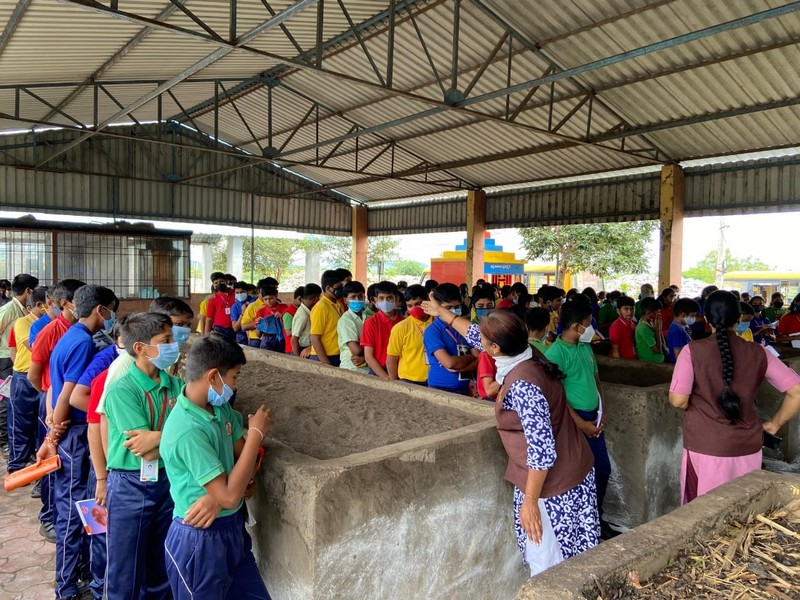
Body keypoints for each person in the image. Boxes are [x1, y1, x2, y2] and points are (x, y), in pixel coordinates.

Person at [421, 299, 598, 574]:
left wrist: (529, 503)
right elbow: (474, 334)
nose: (477, 341)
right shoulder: (528, 352)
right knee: (575, 557)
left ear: (495, 349)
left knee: (550, 564)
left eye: (483, 340)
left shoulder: (524, 384)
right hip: (574, 470)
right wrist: (442, 313)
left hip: (553, 491)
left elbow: (541, 452)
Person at [160, 333, 273, 600]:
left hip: (231, 527)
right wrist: (256, 432)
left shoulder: (220, 410)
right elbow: (232, 492)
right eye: (234, 377)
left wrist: (221, 496)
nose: (235, 385)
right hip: (200, 538)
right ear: (213, 377)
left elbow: (248, 460)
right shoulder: (187, 430)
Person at [668, 291, 800, 504]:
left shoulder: (692, 351)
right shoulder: (759, 352)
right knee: (743, 510)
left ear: (707, 319)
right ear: (738, 319)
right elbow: (797, 391)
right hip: (748, 445)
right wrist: (775, 424)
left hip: (705, 445)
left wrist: (703, 404)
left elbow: (678, 400)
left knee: (703, 514)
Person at [37, 284, 118, 600]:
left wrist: (51, 427)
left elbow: (51, 391)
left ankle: (81, 576)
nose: (112, 317)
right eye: (111, 309)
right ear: (101, 310)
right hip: (74, 438)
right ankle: (66, 587)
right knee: (72, 513)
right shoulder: (84, 342)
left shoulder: (70, 334)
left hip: (69, 436)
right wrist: (54, 435)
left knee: (78, 508)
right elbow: (69, 395)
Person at [103, 312, 184, 599]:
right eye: (166, 340)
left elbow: (197, 433)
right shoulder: (122, 390)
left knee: (161, 565)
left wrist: (160, 438)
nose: (174, 345)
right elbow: (142, 446)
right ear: (140, 348)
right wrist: (177, 437)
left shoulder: (175, 386)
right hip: (131, 485)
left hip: (167, 480)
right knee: (125, 570)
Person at [545, 300, 613, 539]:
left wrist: (601, 411)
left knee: (602, 469)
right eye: (587, 324)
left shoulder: (586, 347)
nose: (591, 328)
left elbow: (595, 380)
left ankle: (597, 516)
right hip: (574, 421)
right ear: (576, 326)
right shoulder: (555, 354)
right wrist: (581, 423)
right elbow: (556, 397)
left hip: (594, 417)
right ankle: (585, 521)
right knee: (581, 472)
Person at [28, 278, 85, 544]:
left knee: (64, 463)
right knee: (54, 460)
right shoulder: (49, 331)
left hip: (64, 404)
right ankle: (49, 516)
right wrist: (51, 405)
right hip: (51, 402)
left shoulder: (79, 332)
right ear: (66, 304)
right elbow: (34, 374)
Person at [6, 286, 47, 473]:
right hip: (24, 378)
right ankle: (16, 466)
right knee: (19, 423)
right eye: (49, 304)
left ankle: (39, 464)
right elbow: (32, 347)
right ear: (38, 305)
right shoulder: (23, 323)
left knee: (41, 423)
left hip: (42, 378)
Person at [0, 273, 39, 456]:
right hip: (6, 359)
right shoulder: (8, 310)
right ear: (28, 291)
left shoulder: (25, 309)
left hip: (18, 360)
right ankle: (7, 442)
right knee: (9, 401)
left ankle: (25, 447)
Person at [424, 283, 480, 394]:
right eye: (448, 308)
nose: (453, 311)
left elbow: (479, 358)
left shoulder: (463, 327)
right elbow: (449, 363)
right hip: (440, 389)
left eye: (457, 307)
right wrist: (469, 358)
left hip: (465, 389)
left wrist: (461, 367)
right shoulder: (433, 331)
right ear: (438, 309)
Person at [386, 285, 432, 386]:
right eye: (410, 306)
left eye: (418, 304)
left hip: (435, 380)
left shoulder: (438, 323)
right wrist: (395, 385)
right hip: (409, 381)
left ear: (428, 300)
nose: (414, 309)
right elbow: (391, 360)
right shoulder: (400, 328)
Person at [361, 281, 402, 379]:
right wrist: (387, 378)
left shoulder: (403, 322)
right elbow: (368, 357)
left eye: (389, 298)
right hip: (379, 372)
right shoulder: (371, 322)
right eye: (381, 298)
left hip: (401, 372)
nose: (385, 301)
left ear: (396, 299)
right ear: (375, 300)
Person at [306, 270, 345, 366]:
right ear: (328, 288)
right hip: (324, 357)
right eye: (339, 287)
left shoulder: (339, 304)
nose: (342, 290)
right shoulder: (321, 307)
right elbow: (315, 338)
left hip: (338, 355)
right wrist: (326, 364)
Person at [338, 281, 369, 374]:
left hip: (368, 366)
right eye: (353, 297)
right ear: (346, 300)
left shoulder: (369, 317)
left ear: (364, 297)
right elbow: (356, 350)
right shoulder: (345, 320)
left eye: (360, 296)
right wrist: (372, 350)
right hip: (352, 368)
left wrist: (366, 357)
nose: (357, 299)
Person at [290, 283, 321, 358]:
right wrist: (298, 358)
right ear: (315, 299)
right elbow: (294, 339)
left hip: (309, 346)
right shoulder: (303, 315)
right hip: (303, 349)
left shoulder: (308, 311)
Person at [666, 298, 700, 363]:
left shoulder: (679, 327)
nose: (694, 318)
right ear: (683, 314)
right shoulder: (677, 331)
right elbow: (678, 356)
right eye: (692, 316)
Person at [636, 297, 666, 364]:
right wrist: (658, 331)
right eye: (657, 312)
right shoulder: (643, 328)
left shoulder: (650, 322)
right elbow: (658, 351)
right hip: (651, 363)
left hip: (658, 360)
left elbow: (664, 347)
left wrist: (660, 329)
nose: (658, 315)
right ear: (648, 313)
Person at [281, 286, 304, 354]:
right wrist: (304, 329)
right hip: (292, 349)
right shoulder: (289, 313)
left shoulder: (300, 309)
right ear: (300, 299)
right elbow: (288, 332)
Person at [231, 281, 253, 346]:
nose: (239, 294)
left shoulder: (254, 302)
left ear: (247, 292)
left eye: (242, 292)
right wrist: (242, 314)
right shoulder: (235, 307)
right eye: (237, 293)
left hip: (254, 332)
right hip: (241, 334)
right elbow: (235, 328)